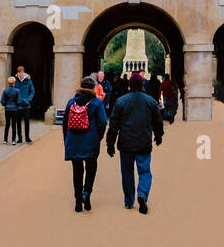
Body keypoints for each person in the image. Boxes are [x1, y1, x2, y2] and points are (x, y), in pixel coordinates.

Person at [106, 72, 163, 214]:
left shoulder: (121, 101)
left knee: (127, 172)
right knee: (144, 171)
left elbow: (113, 125)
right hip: (143, 141)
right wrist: (158, 135)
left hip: (125, 142)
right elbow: (158, 121)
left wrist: (110, 143)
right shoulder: (150, 101)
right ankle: (142, 194)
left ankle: (128, 200)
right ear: (142, 84)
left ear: (130, 85)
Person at [62, 75, 107, 213]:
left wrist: (66, 139)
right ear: (93, 88)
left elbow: (64, 123)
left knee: (77, 170)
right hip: (90, 140)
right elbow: (103, 122)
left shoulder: (71, 102)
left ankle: (77, 201)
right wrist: (98, 137)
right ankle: (86, 193)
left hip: (74, 140)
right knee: (91, 168)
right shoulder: (97, 103)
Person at [14, 65, 35, 144]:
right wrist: (16, 100)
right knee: (18, 122)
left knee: (27, 121)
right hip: (18, 105)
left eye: (21, 72)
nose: (20, 74)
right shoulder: (15, 81)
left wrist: (28, 100)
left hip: (26, 105)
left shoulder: (28, 81)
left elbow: (32, 91)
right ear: (17, 73)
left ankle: (27, 137)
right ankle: (19, 138)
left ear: (23, 72)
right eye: (19, 73)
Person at [1, 74, 21, 145]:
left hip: (7, 109)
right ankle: (13, 140)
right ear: (14, 82)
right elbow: (19, 101)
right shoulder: (17, 91)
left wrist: (6, 105)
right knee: (13, 125)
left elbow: (2, 101)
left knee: (7, 124)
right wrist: (16, 105)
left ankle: (5, 139)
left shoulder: (5, 91)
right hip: (14, 109)